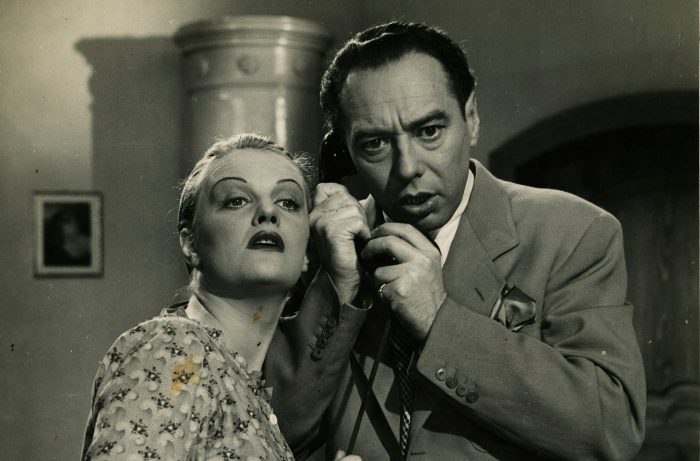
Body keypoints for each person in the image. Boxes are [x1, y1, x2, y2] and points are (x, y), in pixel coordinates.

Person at [264, 22, 646, 460]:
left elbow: (611, 428)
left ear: (471, 118)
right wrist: (339, 291)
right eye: (375, 144)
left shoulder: (573, 231)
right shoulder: (325, 248)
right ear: (345, 153)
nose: (407, 168)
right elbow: (266, 430)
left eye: (429, 131)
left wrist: (439, 321)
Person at [82, 134, 361, 460]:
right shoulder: (174, 347)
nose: (268, 212)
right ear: (190, 243)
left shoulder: (247, 386)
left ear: (307, 253)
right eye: (236, 200)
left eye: (288, 202)